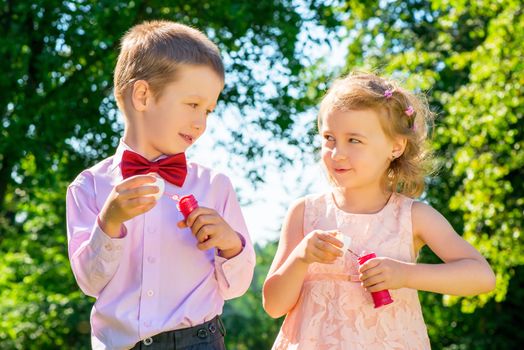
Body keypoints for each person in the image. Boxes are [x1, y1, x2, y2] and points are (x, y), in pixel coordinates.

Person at [262, 72, 496, 349]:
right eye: (329, 138)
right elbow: (274, 306)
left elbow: (482, 276)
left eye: (354, 140)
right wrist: (300, 257)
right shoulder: (304, 212)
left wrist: (406, 275)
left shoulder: (413, 216)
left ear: (395, 147)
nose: (337, 153)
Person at [66, 20, 256, 350]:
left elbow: (237, 286)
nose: (201, 123)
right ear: (143, 95)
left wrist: (230, 244)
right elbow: (90, 282)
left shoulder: (215, 186)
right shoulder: (88, 187)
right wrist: (109, 223)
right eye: (193, 104)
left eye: (208, 110)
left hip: (200, 341)